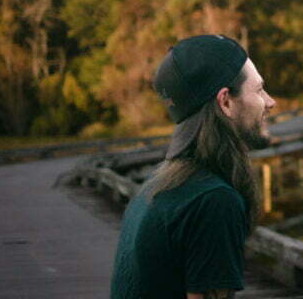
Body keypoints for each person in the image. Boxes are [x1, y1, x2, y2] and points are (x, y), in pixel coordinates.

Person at [111, 34, 276, 299]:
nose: (270, 101)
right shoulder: (213, 201)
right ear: (225, 102)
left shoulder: (158, 186)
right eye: (258, 90)